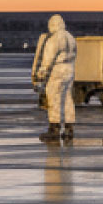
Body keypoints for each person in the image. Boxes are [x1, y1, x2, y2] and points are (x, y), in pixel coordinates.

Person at [32, 13, 77, 144]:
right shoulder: (71, 38)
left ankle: (54, 129)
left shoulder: (55, 39)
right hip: (70, 69)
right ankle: (69, 129)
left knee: (54, 99)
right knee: (68, 99)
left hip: (57, 71)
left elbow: (47, 59)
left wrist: (41, 75)